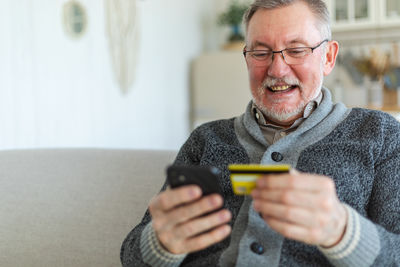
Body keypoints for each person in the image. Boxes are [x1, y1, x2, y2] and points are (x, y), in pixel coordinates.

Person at [120, 0, 400, 266]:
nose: (277, 69)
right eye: (260, 52)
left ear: (328, 57)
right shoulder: (205, 140)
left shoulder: (380, 135)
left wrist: (343, 231)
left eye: (297, 50)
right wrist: (162, 243)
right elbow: (131, 257)